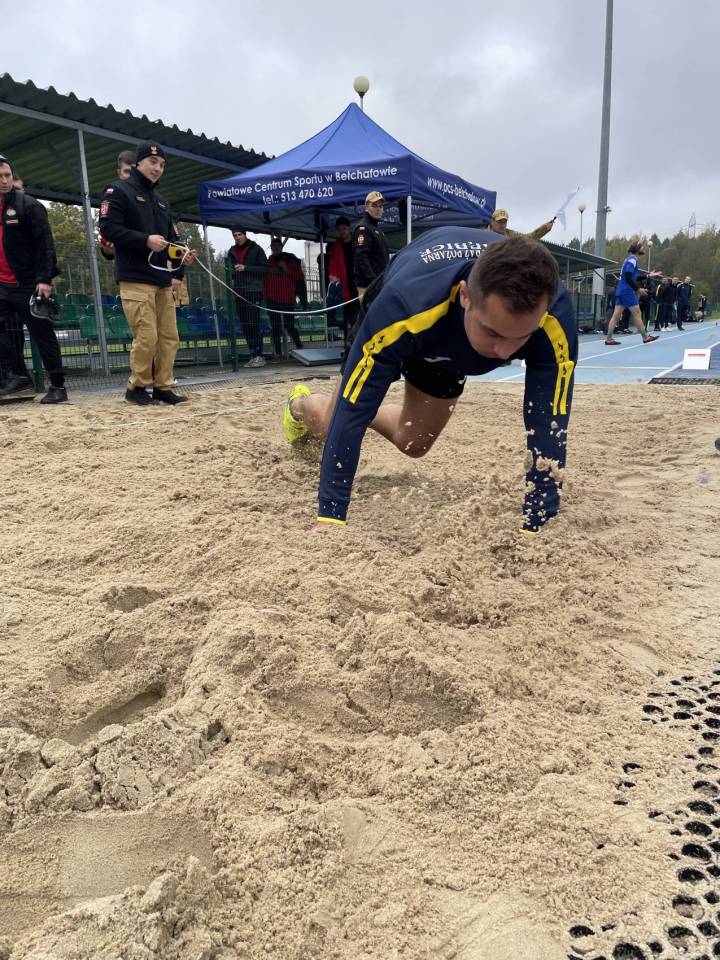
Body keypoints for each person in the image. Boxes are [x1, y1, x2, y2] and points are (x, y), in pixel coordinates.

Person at [283, 230, 577, 535]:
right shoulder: (402, 305)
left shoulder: (553, 314)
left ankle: (363, 412)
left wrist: (537, 523)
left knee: (414, 442)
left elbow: (549, 419)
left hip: (449, 344)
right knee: (333, 420)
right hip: (418, 322)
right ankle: (298, 405)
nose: (505, 353)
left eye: (522, 336)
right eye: (493, 333)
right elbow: (354, 403)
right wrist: (330, 517)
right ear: (465, 296)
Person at [98, 140, 196, 406]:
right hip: (135, 277)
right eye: (153, 162)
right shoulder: (118, 191)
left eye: (162, 164)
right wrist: (145, 240)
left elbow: (171, 240)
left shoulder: (161, 201)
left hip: (162, 279)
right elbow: (108, 228)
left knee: (169, 337)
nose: (157, 168)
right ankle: (136, 387)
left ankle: (163, 386)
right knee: (147, 336)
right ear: (138, 162)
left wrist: (182, 255)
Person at [0, 154, 68, 403]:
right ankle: (17, 373)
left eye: (7, 175)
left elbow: (45, 245)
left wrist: (44, 279)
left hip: (29, 282)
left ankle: (58, 386)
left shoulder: (29, 205)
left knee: (42, 333)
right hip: (2, 283)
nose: (4, 180)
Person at [225, 226, 268, 368]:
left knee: (253, 324)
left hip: (254, 291)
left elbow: (265, 269)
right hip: (239, 293)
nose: (237, 237)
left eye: (240, 234)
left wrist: (246, 268)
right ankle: (253, 355)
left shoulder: (256, 249)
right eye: (235, 235)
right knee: (245, 326)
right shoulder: (231, 251)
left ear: (245, 235)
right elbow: (229, 270)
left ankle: (259, 355)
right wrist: (233, 271)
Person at [604, 241, 659, 345]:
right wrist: (638, 289)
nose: (643, 249)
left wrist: (647, 276)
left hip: (621, 290)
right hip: (627, 291)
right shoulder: (633, 260)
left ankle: (609, 339)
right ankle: (645, 337)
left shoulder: (628, 259)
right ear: (637, 249)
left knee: (616, 315)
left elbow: (633, 277)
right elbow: (628, 277)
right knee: (637, 313)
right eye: (641, 247)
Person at [264, 237, 306, 361]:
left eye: (278, 246)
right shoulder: (268, 262)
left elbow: (299, 277)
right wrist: (265, 295)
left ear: (281, 247)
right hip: (272, 298)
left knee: (289, 325)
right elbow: (264, 279)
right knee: (275, 326)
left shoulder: (291, 260)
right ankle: (278, 353)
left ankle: (300, 347)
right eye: (273, 246)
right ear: (271, 248)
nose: (276, 248)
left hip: (287, 298)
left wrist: (286, 269)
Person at [324, 215, 359, 344]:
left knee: (356, 317)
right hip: (344, 288)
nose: (342, 231)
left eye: (344, 228)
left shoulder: (358, 244)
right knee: (346, 318)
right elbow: (332, 265)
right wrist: (332, 274)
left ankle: (354, 343)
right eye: (339, 229)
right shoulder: (335, 247)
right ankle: (348, 344)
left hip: (358, 285)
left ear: (350, 229)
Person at [99, 150, 136, 263]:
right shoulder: (113, 195)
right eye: (127, 172)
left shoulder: (154, 198)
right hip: (128, 266)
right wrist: (107, 249)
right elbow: (107, 234)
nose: (131, 176)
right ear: (119, 173)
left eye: (134, 172)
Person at [353, 191, 389, 301]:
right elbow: (361, 257)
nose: (378, 209)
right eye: (374, 205)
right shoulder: (363, 228)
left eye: (381, 206)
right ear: (366, 207)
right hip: (369, 286)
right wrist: (373, 281)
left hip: (379, 284)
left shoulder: (377, 230)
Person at [490, 208, 556, 241]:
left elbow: (529, 238)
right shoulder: (484, 233)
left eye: (504, 222)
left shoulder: (511, 235)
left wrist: (544, 228)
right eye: (499, 222)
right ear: (492, 221)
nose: (502, 225)